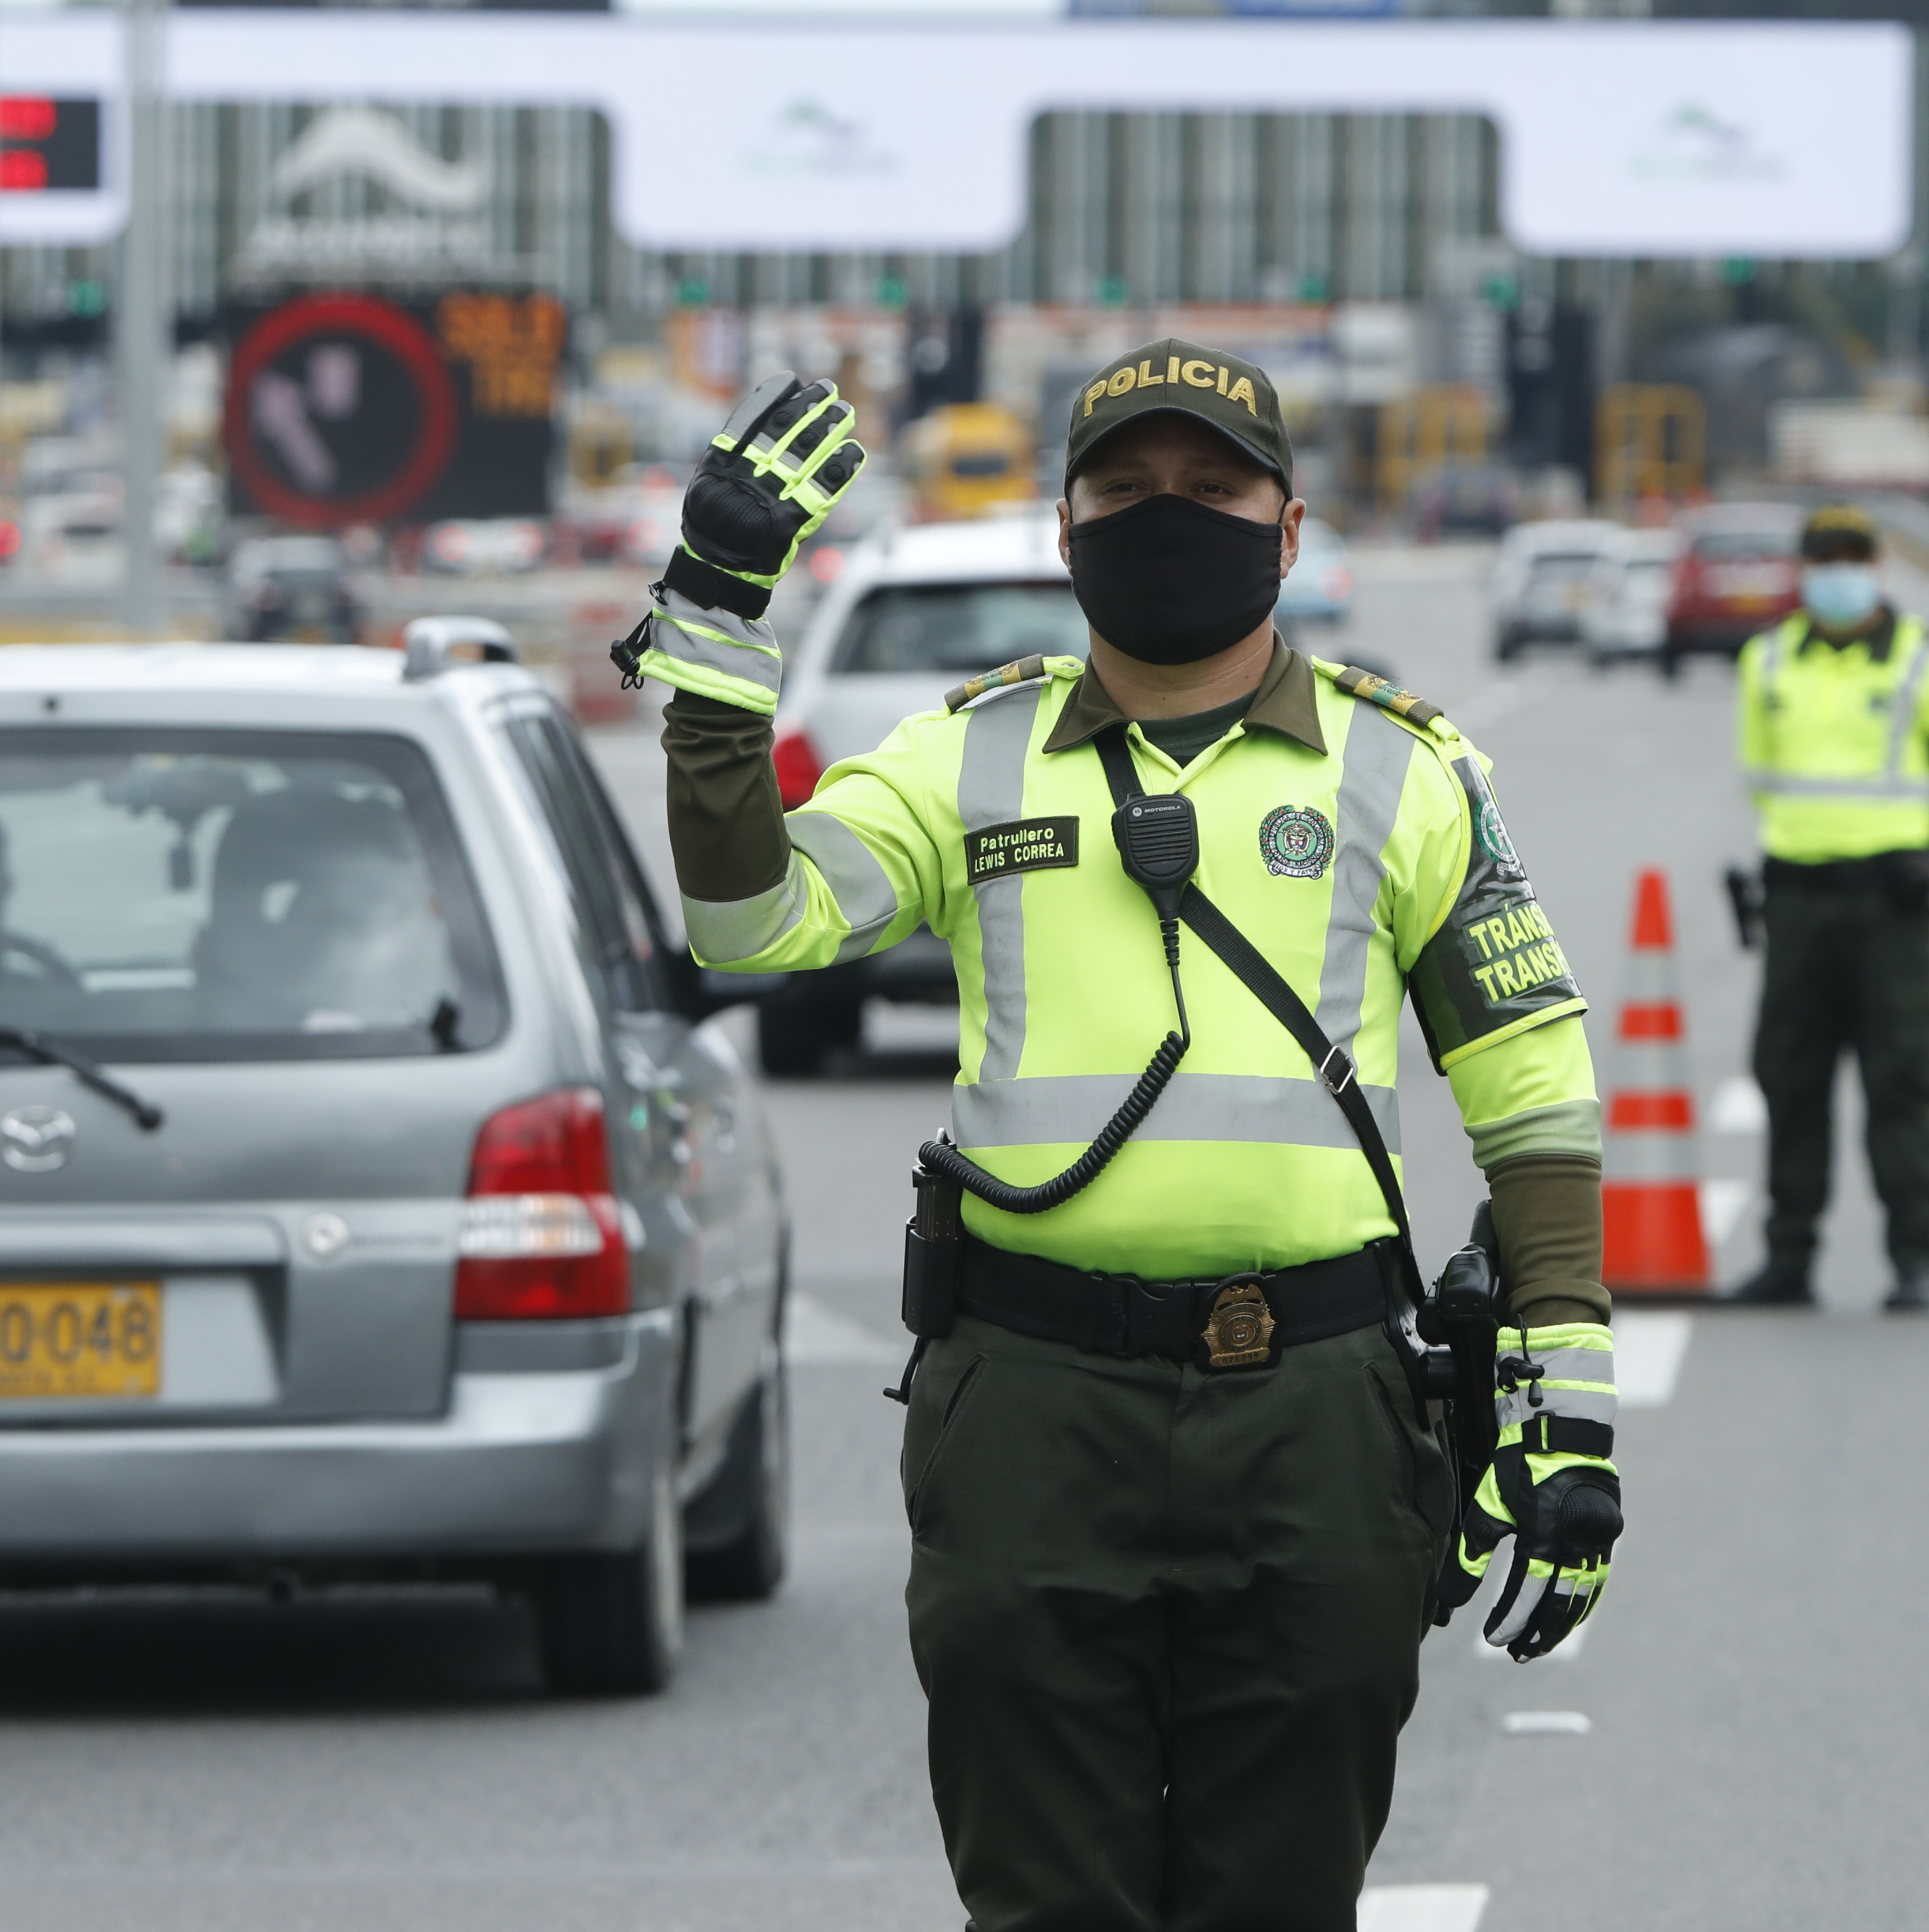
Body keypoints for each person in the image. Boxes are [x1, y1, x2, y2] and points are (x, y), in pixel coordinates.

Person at [619, 348, 1622, 1931]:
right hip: (1029, 1410)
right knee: (1041, 1903)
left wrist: (1570, 1403)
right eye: (1127, 492)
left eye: (1213, 491)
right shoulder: (968, 757)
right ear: (1065, 528)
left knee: (1282, 1901)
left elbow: (1530, 1086)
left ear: (1286, 531)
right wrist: (715, 618)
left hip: (1322, 1418)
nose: (1172, 519)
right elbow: (750, 925)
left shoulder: (1406, 769)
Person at [1728, 501, 1929, 1309]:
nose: (1838, 574)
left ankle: (1915, 1258)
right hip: (1799, 900)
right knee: (1790, 1077)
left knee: (1903, 1080)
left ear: (1874, 566)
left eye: (1851, 557)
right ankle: (1788, 1258)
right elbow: (1760, 774)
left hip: (1897, 903)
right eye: (1824, 559)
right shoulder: (1767, 662)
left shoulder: (1917, 659)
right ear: (1804, 570)